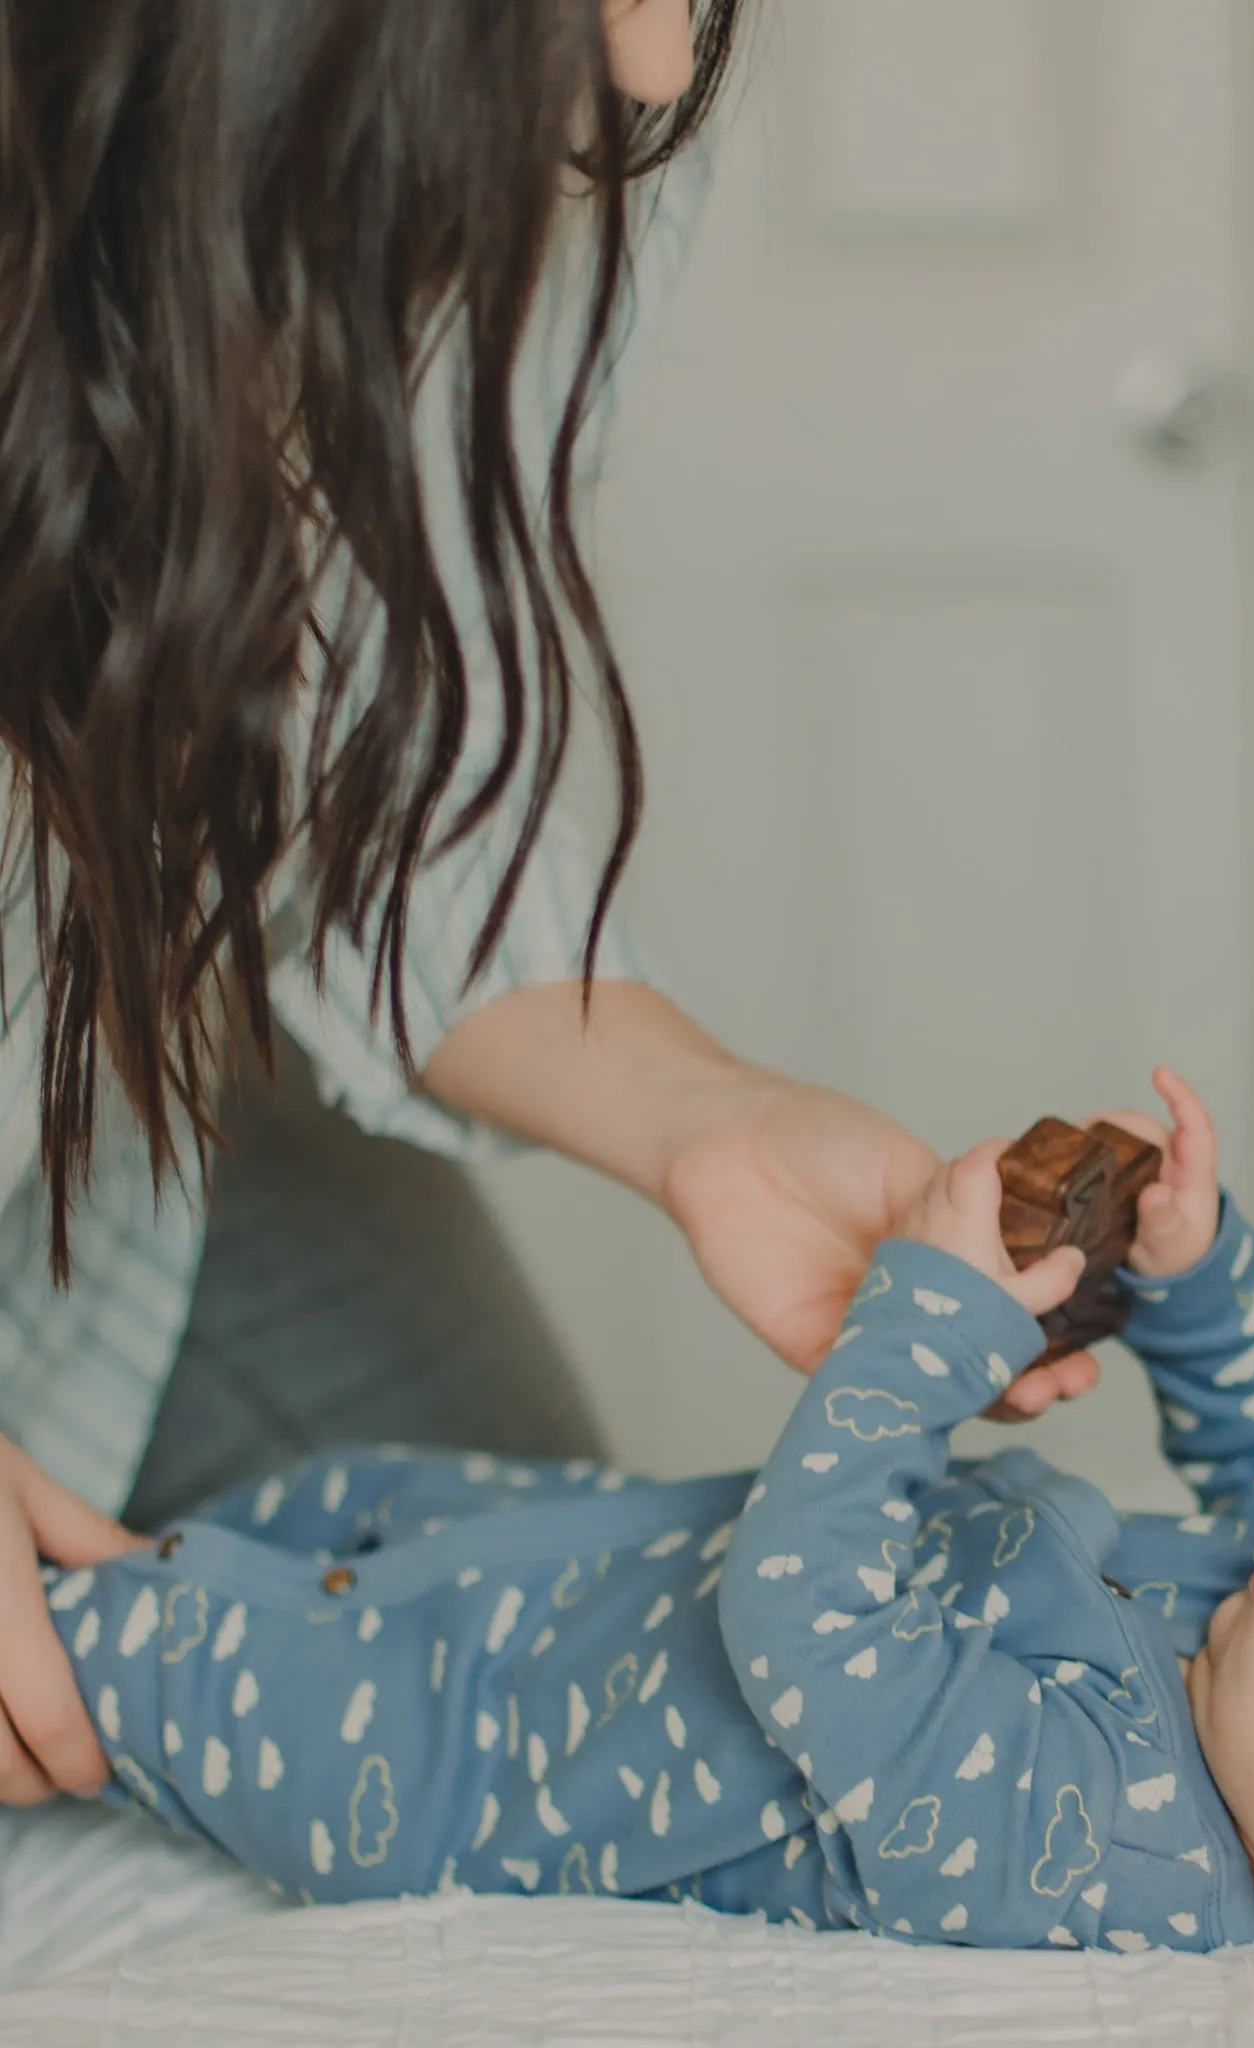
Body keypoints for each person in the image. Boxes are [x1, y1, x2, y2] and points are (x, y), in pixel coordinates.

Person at [0, 0, 1102, 1820]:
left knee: (560, 1656)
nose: (660, 63)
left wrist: (705, 1121)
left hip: (120, 1097)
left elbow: (360, 778)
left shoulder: (538, 91)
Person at [50, 1071, 1254, 2001]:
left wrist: (925, 1324)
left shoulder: (1084, 1851)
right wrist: (1197, 1278)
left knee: (72, 1657)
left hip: (439, 1765)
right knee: (207, 1522)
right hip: (534, 1552)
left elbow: (809, 1614)